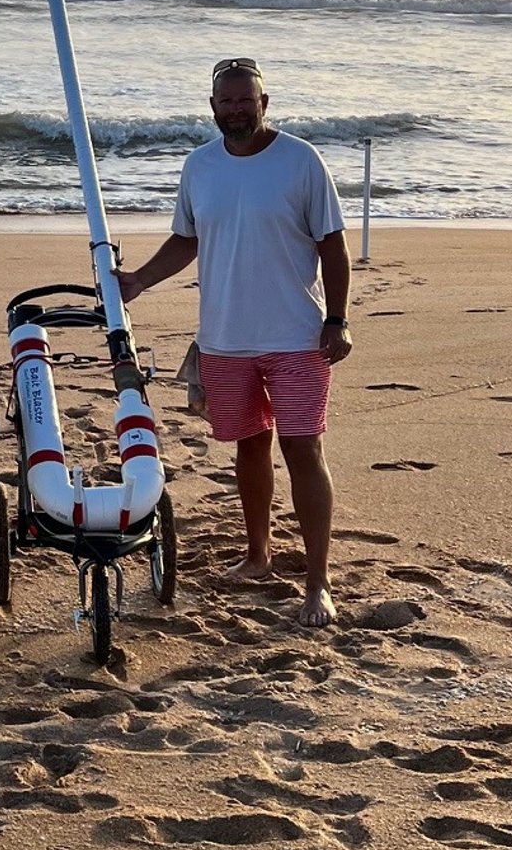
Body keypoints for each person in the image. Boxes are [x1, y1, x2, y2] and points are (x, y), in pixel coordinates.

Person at [119, 57, 351, 628]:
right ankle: (258, 555)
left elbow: (334, 247)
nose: (238, 110)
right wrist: (139, 281)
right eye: (227, 102)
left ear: (264, 103)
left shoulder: (300, 161)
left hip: (297, 334)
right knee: (249, 446)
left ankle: (318, 582)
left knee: (303, 450)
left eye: (248, 100)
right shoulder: (199, 166)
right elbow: (185, 239)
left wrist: (338, 320)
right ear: (213, 108)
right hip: (224, 339)